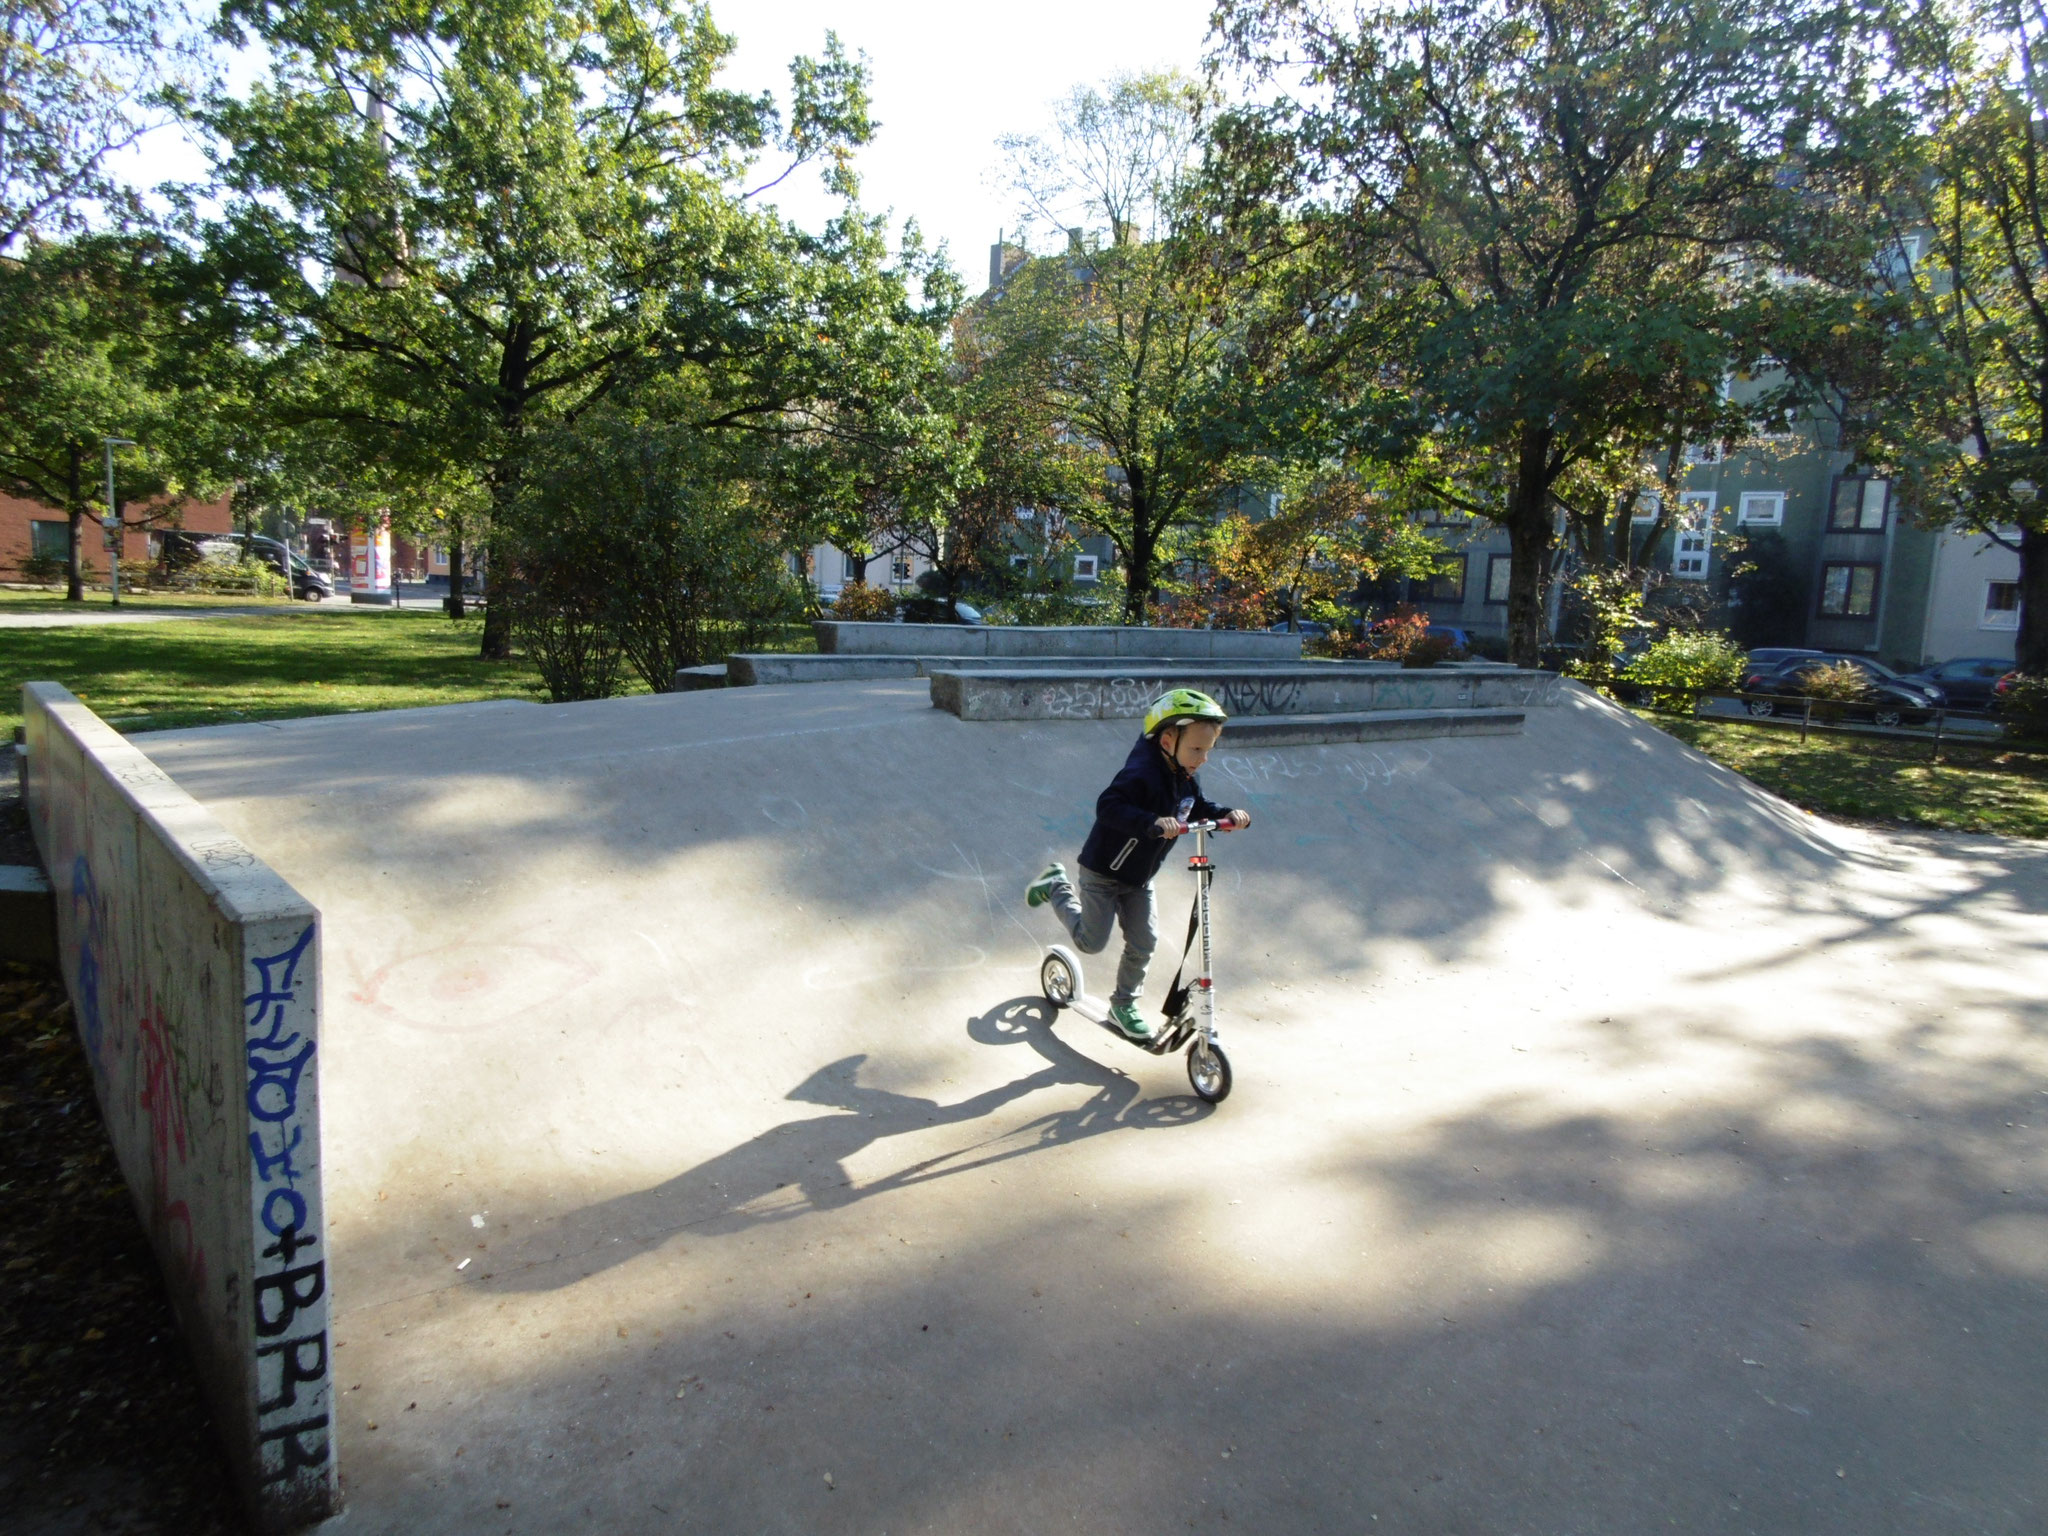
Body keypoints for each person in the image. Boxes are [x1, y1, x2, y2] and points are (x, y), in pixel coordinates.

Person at [1025, 689, 1252, 1041]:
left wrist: (1225, 815)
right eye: (1196, 749)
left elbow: (1197, 805)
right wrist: (1150, 822)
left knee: (1144, 941)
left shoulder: (1185, 775)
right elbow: (1109, 806)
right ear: (1167, 739)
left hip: (1140, 878)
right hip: (1103, 872)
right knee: (1090, 943)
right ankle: (1056, 884)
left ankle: (1123, 1003)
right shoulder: (1140, 773)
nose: (1203, 758)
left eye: (1208, 750)